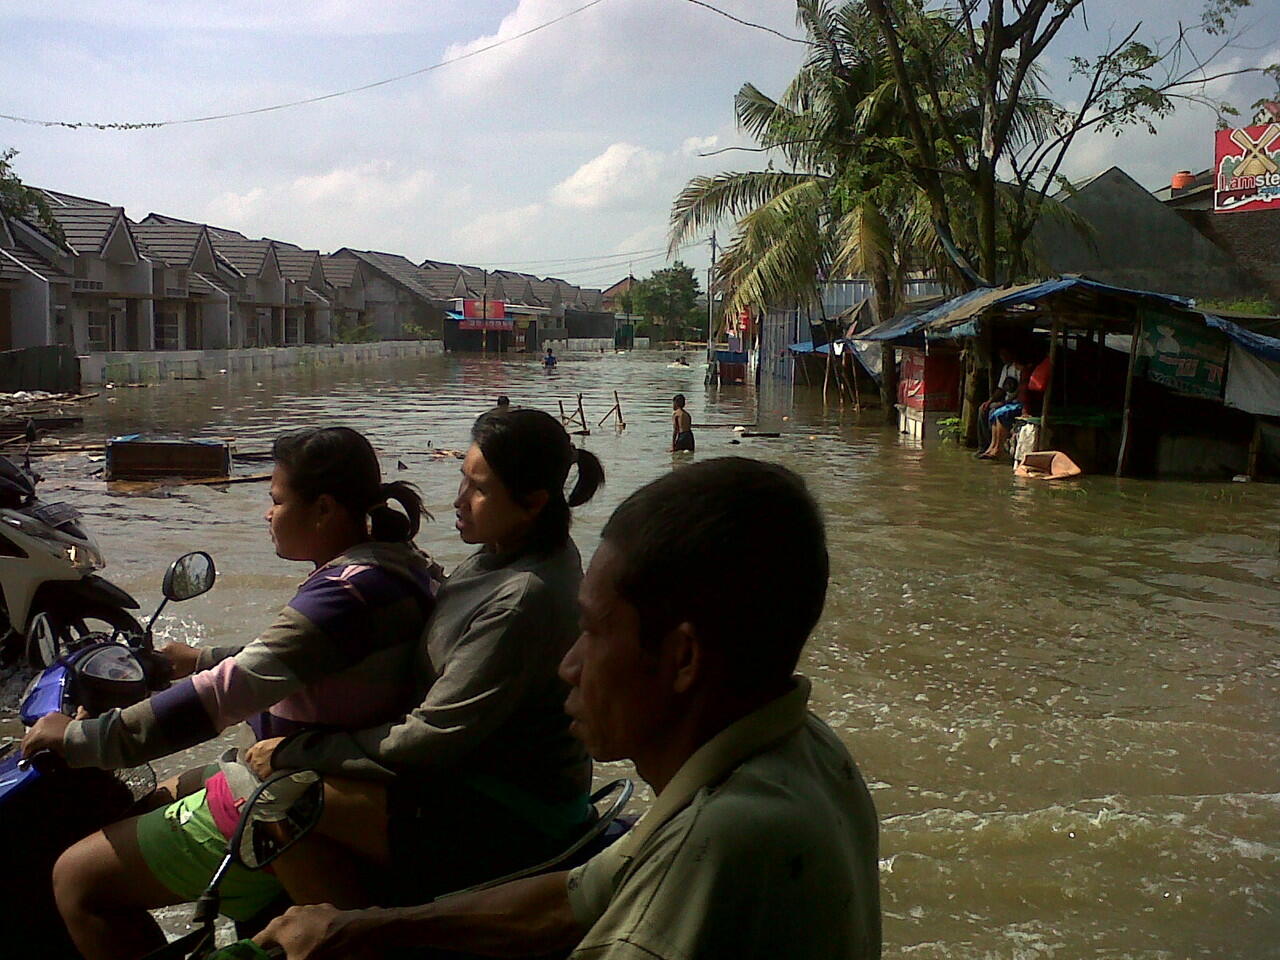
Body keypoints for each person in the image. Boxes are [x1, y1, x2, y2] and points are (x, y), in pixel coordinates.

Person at [255, 457, 882, 960]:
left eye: (593, 632)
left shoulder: (713, 849)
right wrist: (366, 929)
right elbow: (577, 895)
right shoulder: (804, 745)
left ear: (683, 658)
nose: (569, 665)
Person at [21, 427, 438, 960]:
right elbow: (299, 657)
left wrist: (80, 737)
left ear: (324, 509)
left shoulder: (344, 594)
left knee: (76, 880)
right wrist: (195, 659)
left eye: (277, 501)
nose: (267, 514)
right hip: (308, 772)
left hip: (292, 787)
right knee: (150, 800)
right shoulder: (391, 568)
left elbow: (217, 700)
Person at [242, 407, 606, 912]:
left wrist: (297, 751)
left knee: (278, 802)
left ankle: (358, 942)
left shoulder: (525, 596)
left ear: (533, 503)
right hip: (468, 779)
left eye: (478, 489)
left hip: (508, 810)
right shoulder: (498, 554)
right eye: (463, 478)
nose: (459, 499)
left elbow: (430, 738)